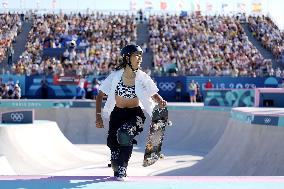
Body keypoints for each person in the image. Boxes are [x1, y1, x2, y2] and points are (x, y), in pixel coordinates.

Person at [96, 44, 167, 181]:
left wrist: (160, 101)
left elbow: (154, 93)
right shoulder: (115, 76)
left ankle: (123, 168)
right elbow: (100, 96)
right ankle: (117, 164)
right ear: (127, 58)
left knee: (125, 134)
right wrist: (98, 116)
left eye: (140, 55)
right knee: (113, 147)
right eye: (136, 55)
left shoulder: (143, 77)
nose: (140, 58)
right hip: (117, 114)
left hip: (135, 114)